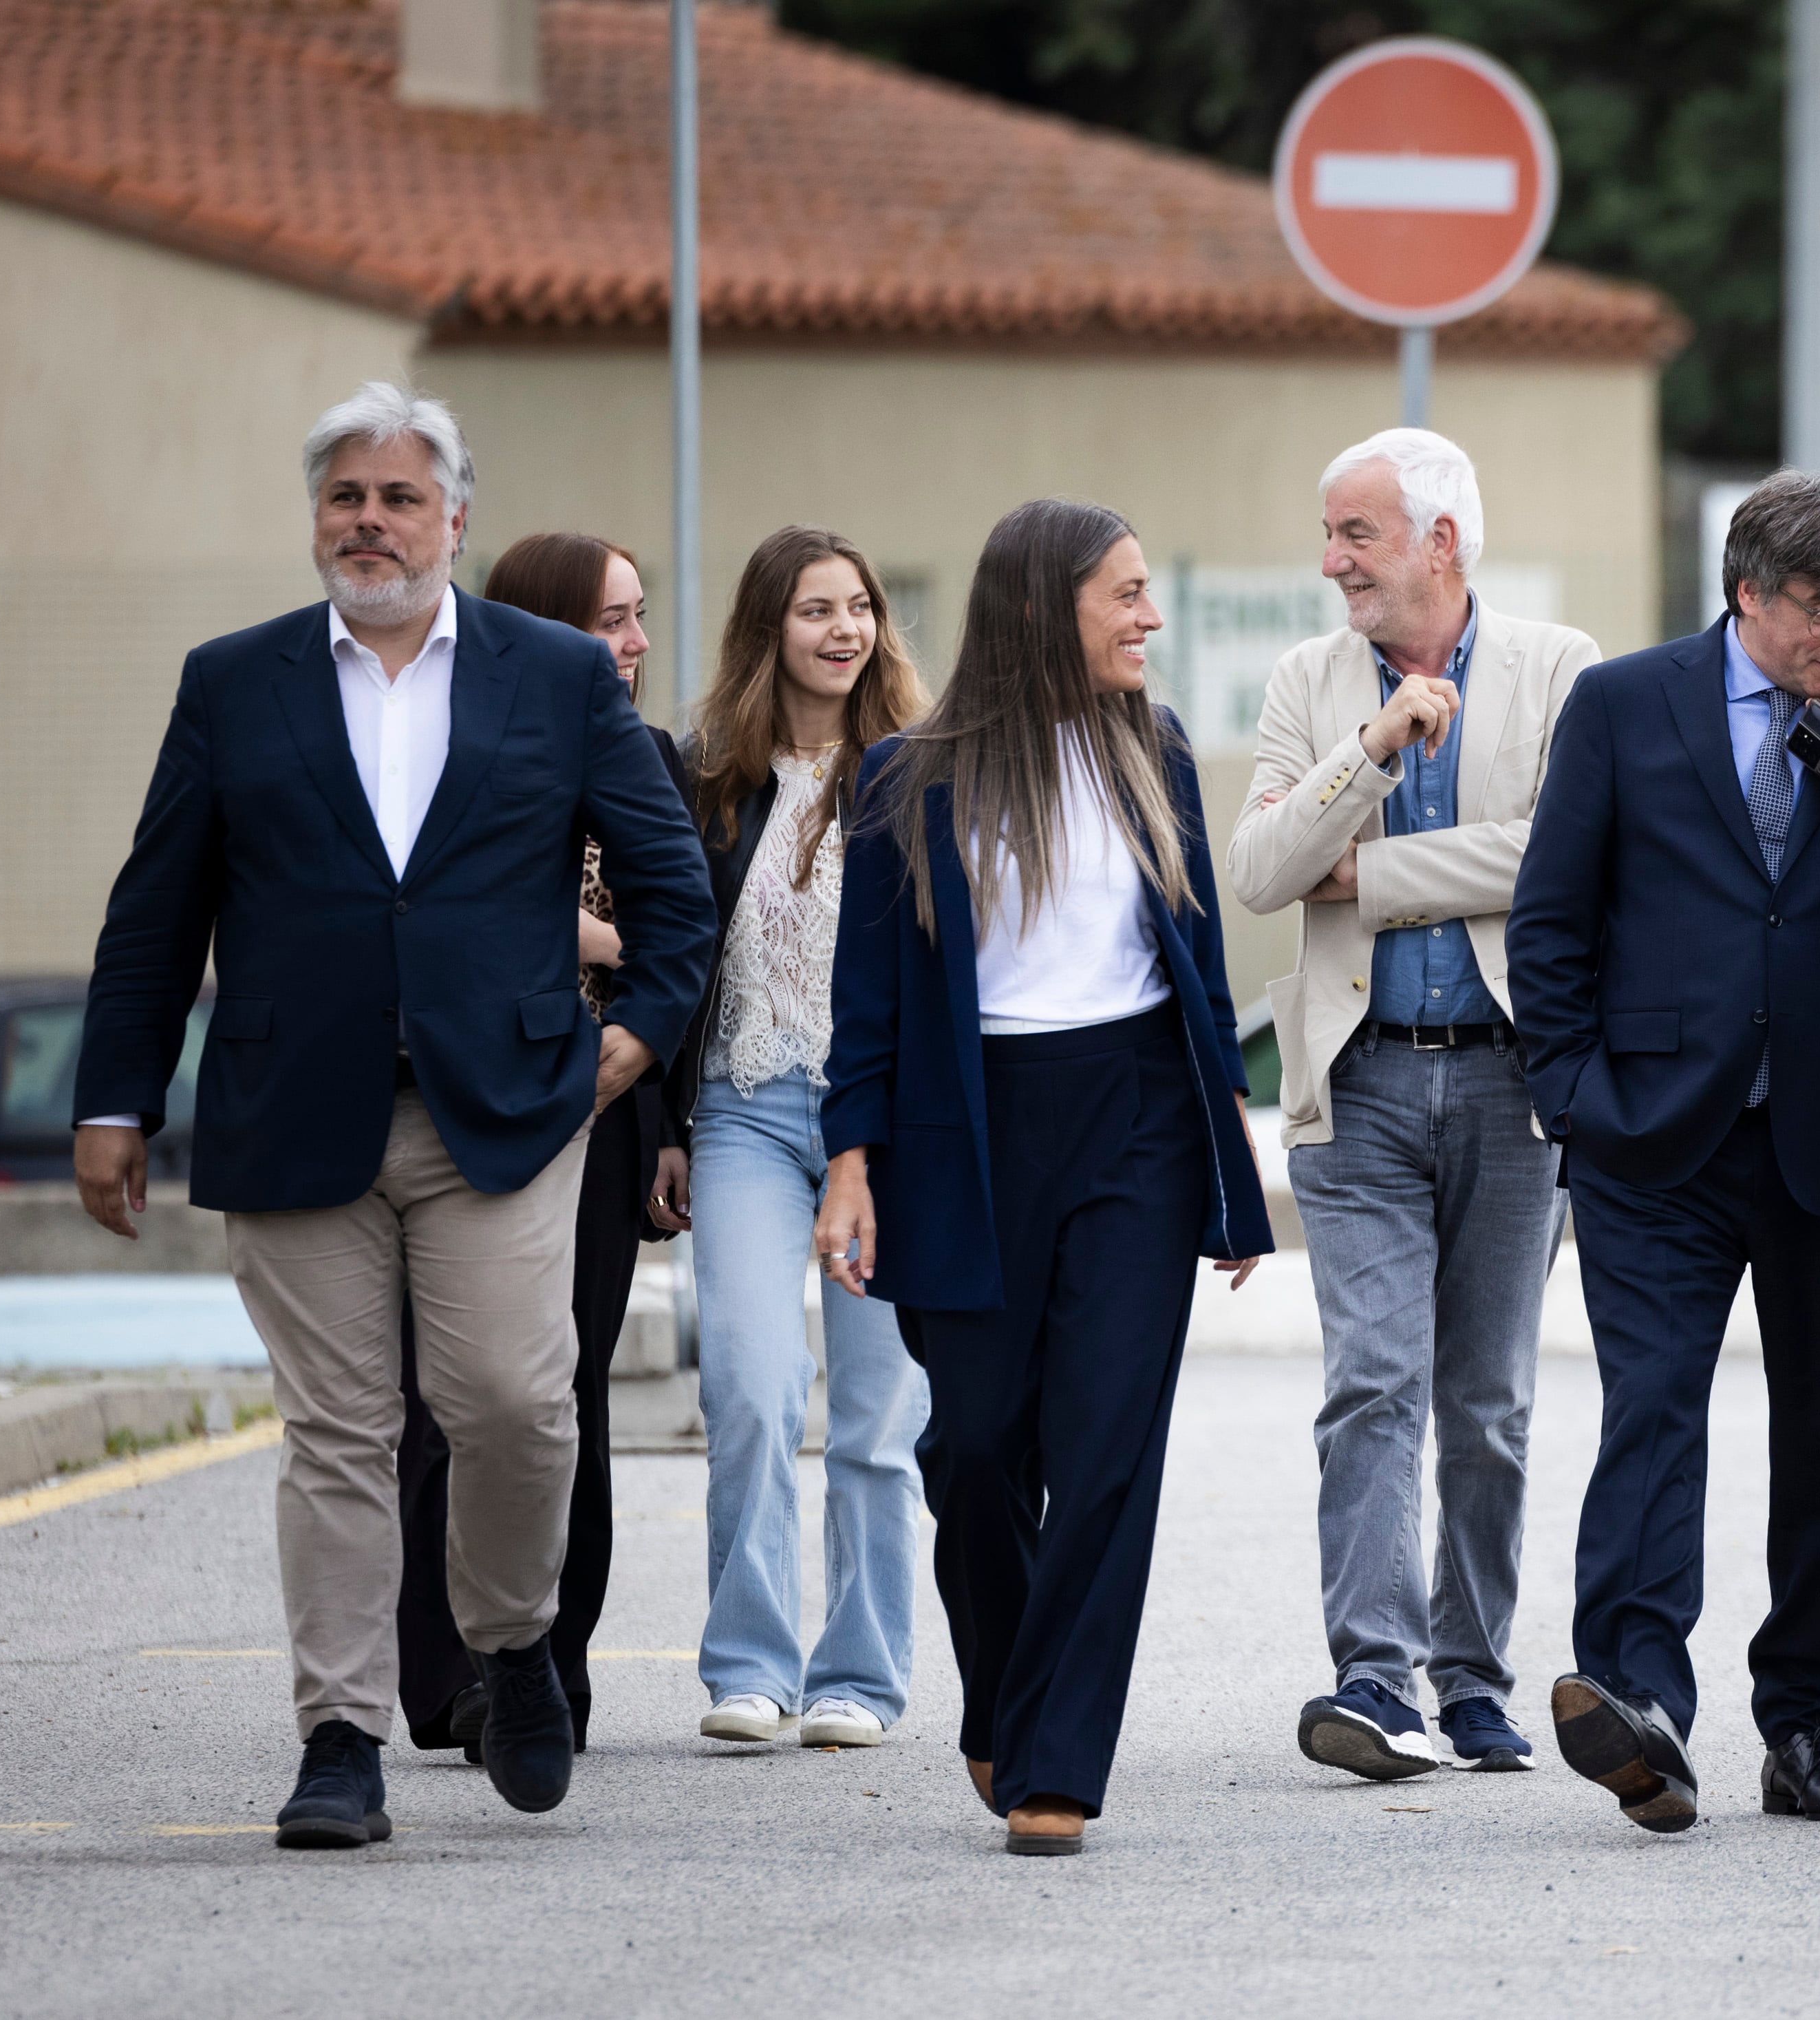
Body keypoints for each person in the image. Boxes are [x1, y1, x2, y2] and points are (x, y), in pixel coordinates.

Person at [70, 383, 715, 1848]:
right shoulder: (233, 682)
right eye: (346, 498)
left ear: (455, 520)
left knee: (511, 1404)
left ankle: (509, 1641)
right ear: (317, 521)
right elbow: (155, 913)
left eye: (400, 497)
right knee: (341, 1432)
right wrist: (115, 1093)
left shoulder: (552, 676)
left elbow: (676, 888)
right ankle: (341, 1736)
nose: (371, 521)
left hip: (506, 1110)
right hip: (295, 1116)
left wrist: (636, 1041)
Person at [811, 498, 1271, 1856]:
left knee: (1107, 1444)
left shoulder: (1157, 750)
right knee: (971, 1444)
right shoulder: (905, 775)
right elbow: (869, 997)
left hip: (1135, 1118)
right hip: (965, 1131)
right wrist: (851, 1162)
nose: (1150, 616)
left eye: (1147, 591)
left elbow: (1192, 962)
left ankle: (1058, 1758)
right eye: (1124, 593)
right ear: (1042, 608)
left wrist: (1222, 1145)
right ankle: (1006, 1691)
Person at [1506, 469, 1820, 1833]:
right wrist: (1576, 1096)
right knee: (1651, 1407)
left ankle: (1811, 1722)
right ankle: (1639, 1705)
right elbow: (1550, 918)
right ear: (1747, 592)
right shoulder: (1620, 703)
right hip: (1654, 1132)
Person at [1228, 429, 1600, 1780]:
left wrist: (1378, 878)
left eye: (1357, 536)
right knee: (1371, 1383)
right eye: (1330, 536)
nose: (1332, 563)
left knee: (1489, 1404)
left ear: (1440, 542)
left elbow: (1564, 853)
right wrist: (1374, 746)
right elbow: (1267, 868)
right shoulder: (1308, 683)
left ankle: (1476, 1679)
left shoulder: (1562, 670)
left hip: (1513, 1082)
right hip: (1361, 1074)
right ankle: (1374, 1682)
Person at [395, 531, 687, 1762]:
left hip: (606, 1113)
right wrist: (592, 944)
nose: (630, 644)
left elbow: (684, 935)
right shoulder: (452, 745)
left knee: (566, 1396)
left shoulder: (652, 756)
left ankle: (550, 1670)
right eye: (608, 619)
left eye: (638, 619)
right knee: (442, 1402)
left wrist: (667, 1124)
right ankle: (445, 1670)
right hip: (463, 1105)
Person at [649, 527, 932, 1751]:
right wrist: (667, 1124)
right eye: (817, 609)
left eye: (861, 607)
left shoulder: (922, 777)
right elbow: (672, 961)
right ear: (771, 628)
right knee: (755, 1389)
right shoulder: (709, 779)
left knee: (876, 1417)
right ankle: (751, 1667)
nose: (845, 629)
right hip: (746, 1113)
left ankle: (861, 1679)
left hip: (887, 1125)